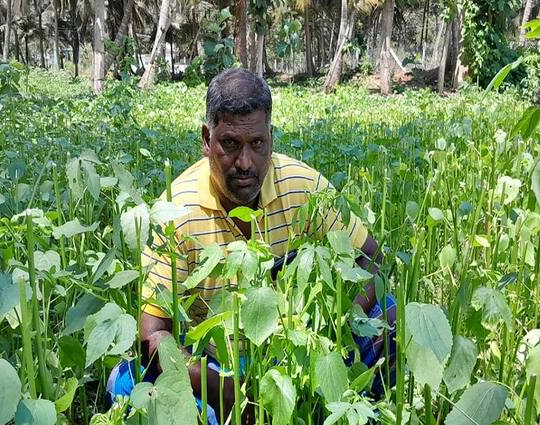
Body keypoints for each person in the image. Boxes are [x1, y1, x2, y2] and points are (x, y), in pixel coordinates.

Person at [107, 68, 396, 424]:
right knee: (127, 381)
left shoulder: (302, 187)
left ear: (271, 139)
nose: (244, 163)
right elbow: (151, 335)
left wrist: (336, 327)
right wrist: (224, 390)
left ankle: (353, 406)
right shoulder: (175, 211)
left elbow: (371, 258)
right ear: (206, 139)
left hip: (294, 347)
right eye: (229, 144)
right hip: (214, 361)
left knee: (391, 316)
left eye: (256, 144)